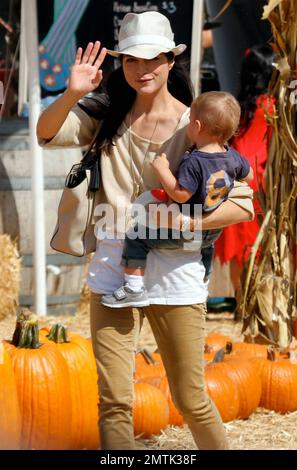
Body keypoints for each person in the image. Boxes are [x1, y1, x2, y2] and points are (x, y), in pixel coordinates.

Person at [37, 11, 254, 450]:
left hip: (177, 271)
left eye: (153, 58)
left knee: (191, 397)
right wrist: (73, 92)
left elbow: (242, 206)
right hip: (116, 269)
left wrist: (187, 220)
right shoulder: (105, 115)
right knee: (114, 400)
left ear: (171, 60)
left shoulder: (198, 124)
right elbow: (45, 133)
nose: (143, 69)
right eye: (132, 60)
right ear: (122, 63)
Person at [101, 91, 253, 308]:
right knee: (205, 245)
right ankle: (205, 275)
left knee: (136, 238)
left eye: (189, 121)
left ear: (197, 126)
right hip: (212, 231)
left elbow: (181, 194)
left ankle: (134, 288)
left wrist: (163, 170)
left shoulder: (195, 161)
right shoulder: (232, 155)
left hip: (187, 229)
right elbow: (249, 176)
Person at [214, 44, 275, 299]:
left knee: (241, 243)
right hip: (263, 180)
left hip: (235, 178)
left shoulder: (237, 106)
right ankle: (261, 306)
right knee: (262, 248)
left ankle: (243, 304)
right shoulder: (274, 106)